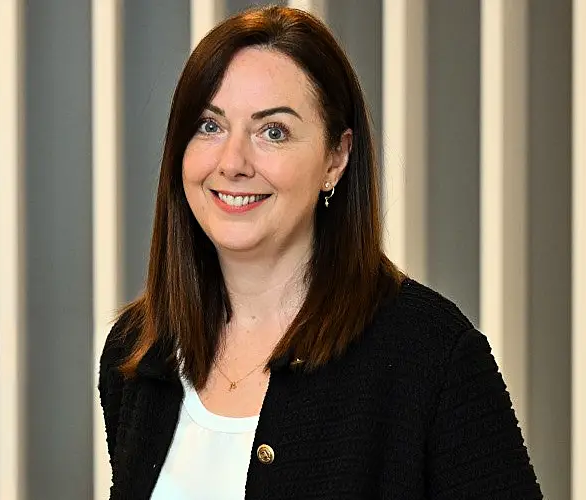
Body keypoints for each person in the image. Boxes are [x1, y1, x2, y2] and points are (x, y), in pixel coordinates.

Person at [98, 6, 541, 499]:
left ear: (336, 158)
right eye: (209, 125)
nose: (233, 162)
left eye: (273, 132)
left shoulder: (431, 356)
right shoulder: (138, 354)